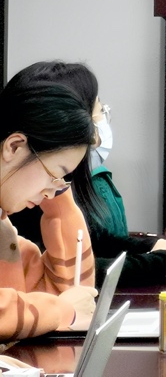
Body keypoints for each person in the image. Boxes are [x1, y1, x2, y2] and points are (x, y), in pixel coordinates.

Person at [8, 62, 166, 287]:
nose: (96, 138)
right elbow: (61, 272)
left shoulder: (42, 187)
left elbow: (93, 242)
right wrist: (160, 259)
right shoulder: (26, 195)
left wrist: (161, 245)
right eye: (97, 114)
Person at [0, 77, 97, 339]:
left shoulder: (6, 233)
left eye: (63, 181)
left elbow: (69, 295)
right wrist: (62, 310)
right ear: (14, 146)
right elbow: (59, 308)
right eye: (55, 173)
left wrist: (60, 207)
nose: (52, 192)